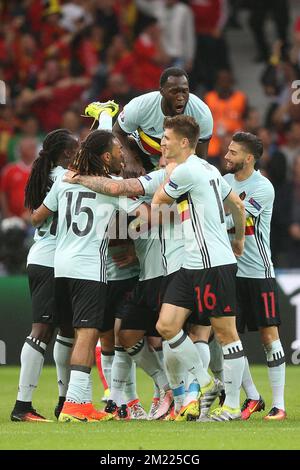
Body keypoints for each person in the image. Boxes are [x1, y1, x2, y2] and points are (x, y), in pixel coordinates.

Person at [152, 115, 246, 422]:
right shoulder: (209, 169)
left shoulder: (189, 170)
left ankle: (232, 404)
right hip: (192, 264)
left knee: (226, 333)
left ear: (183, 142)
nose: (162, 142)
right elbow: (237, 205)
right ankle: (205, 381)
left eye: (166, 138)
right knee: (166, 325)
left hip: (212, 265)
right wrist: (240, 241)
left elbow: (157, 201)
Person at [10, 129, 78, 422]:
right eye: (76, 149)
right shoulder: (63, 177)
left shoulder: (46, 175)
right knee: (42, 330)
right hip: (49, 261)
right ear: (65, 154)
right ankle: (22, 406)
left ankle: (64, 402)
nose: (79, 154)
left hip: (52, 259)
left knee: (66, 329)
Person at [224, 131, 287, 421]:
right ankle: (252, 397)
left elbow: (240, 221)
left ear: (248, 158)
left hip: (257, 271)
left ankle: (279, 404)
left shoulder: (263, 187)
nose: (227, 156)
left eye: (233, 152)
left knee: (268, 335)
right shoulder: (224, 183)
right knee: (228, 336)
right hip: (229, 271)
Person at [84, 67, 213, 173]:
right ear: (161, 92)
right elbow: (117, 132)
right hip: (141, 147)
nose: (180, 97)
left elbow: (201, 159)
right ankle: (105, 113)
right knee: (110, 163)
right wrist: (130, 161)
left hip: (175, 156)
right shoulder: (141, 106)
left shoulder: (202, 114)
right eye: (174, 92)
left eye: (184, 91)